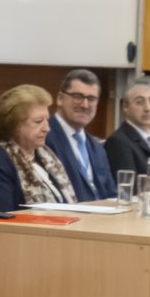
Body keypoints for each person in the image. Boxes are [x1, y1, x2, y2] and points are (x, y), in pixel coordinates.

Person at [0, 85, 77, 213]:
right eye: (38, 121)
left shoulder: (46, 156)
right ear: (14, 124)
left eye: (47, 120)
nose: (47, 128)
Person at [42, 69, 117, 202]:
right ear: (60, 98)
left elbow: (111, 195)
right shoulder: (44, 137)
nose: (85, 105)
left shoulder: (97, 147)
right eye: (78, 96)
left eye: (91, 99)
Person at [104, 75, 150, 178]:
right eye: (140, 102)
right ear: (125, 106)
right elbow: (128, 189)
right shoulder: (118, 142)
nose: (147, 108)